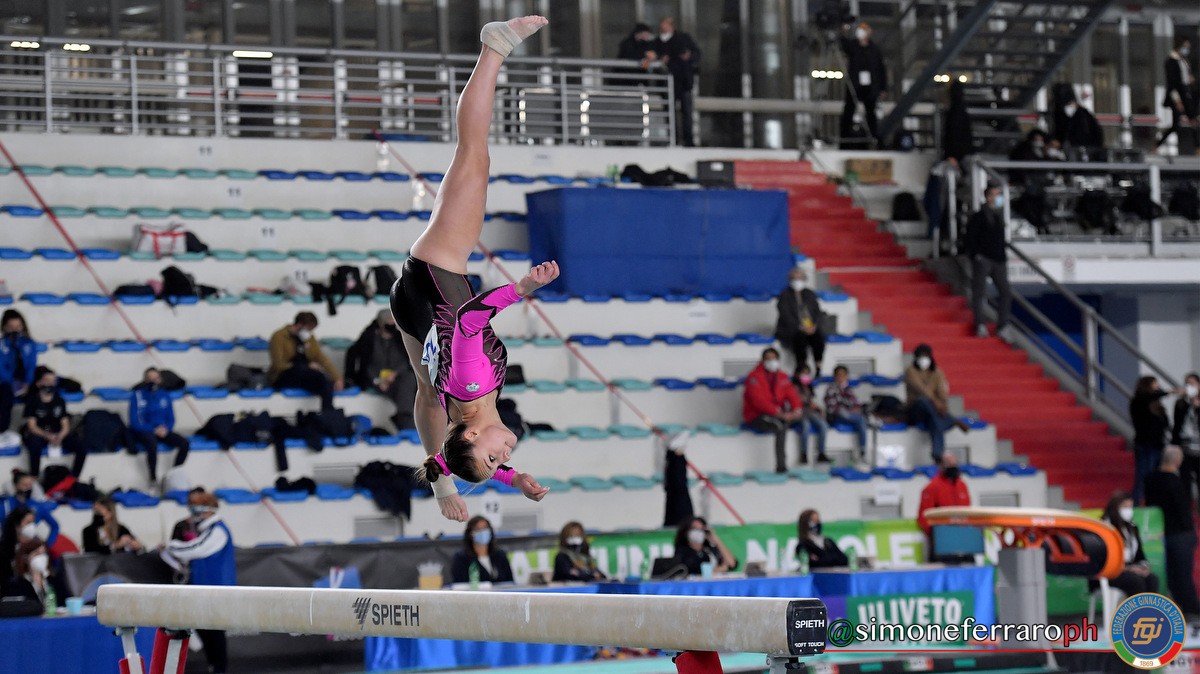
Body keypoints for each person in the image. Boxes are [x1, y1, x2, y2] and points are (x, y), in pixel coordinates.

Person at [393, 16, 556, 523]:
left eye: (493, 459)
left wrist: (520, 289)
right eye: (499, 465)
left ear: (469, 433)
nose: (504, 457)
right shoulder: (464, 410)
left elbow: (469, 320)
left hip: (436, 270)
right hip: (411, 306)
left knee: (473, 155)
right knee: (426, 392)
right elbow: (452, 445)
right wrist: (508, 479)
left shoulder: (470, 385)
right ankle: (441, 485)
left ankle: (494, 47)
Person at [164, 490, 235, 674]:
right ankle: (214, 667)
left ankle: (219, 669)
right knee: (204, 630)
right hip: (202, 589)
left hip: (216, 590)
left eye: (197, 508)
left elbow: (196, 549)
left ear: (208, 509)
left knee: (215, 633)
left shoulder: (219, 530)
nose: (194, 513)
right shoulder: (208, 530)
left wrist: (172, 546)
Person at [1144, 446, 1200, 622]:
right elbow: (1182, 509)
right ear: (1177, 460)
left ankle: (1178, 603)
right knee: (1183, 572)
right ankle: (1190, 606)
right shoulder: (1175, 482)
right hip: (1180, 532)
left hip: (1162, 530)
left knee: (1172, 573)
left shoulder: (1150, 479)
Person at [346, 310, 418, 430]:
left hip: (396, 378)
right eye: (388, 322)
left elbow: (405, 362)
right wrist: (377, 381)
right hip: (375, 380)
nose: (392, 325)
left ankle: (405, 417)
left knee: (409, 380)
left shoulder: (399, 338)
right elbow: (365, 365)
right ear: (381, 323)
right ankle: (405, 420)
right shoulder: (369, 338)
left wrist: (395, 374)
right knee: (404, 390)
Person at [962, 184, 1012, 339]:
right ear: (988, 197)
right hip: (984, 259)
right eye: (996, 195)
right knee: (979, 292)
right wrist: (976, 256)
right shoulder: (979, 216)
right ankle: (980, 324)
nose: (999, 198)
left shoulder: (999, 216)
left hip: (998, 260)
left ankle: (1003, 325)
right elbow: (970, 237)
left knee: (1005, 292)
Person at [743, 348, 805, 473]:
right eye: (768, 359)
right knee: (780, 426)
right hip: (757, 415)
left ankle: (805, 457)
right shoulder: (754, 377)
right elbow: (758, 401)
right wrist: (779, 413)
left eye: (774, 358)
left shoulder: (782, 376)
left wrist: (796, 410)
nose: (771, 361)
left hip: (778, 414)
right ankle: (781, 466)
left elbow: (792, 395)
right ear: (762, 361)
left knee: (805, 421)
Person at [905, 344, 969, 462]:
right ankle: (951, 420)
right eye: (920, 356)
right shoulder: (910, 371)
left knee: (935, 421)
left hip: (932, 413)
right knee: (924, 401)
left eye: (925, 356)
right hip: (916, 410)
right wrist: (936, 403)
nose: (923, 359)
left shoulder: (937, 372)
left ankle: (937, 453)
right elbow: (921, 390)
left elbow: (942, 392)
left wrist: (943, 404)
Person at [268, 311, 343, 411]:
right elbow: (278, 365)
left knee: (325, 382)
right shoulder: (279, 337)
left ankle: (327, 412)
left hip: (304, 374)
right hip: (283, 375)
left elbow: (321, 358)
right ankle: (328, 413)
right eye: (308, 329)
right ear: (299, 325)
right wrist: (306, 366)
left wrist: (337, 377)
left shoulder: (309, 339)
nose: (309, 333)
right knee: (308, 373)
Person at [21, 367, 86, 479]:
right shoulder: (32, 401)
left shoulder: (59, 401)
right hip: (40, 433)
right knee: (34, 444)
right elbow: (32, 426)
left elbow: (65, 423)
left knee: (82, 446)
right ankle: (34, 475)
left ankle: (74, 477)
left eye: (53, 381)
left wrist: (61, 435)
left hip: (57, 432)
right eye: (47, 380)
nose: (50, 384)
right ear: (39, 383)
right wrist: (47, 436)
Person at [128, 367, 190, 482]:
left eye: (155, 378)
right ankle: (153, 479)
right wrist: (153, 429)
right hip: (145, 431)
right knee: (152, 444)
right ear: (145, 379)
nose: (153, 381)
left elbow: (171, 418)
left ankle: (173, 475)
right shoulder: (137, 396)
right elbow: (134, 422)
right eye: (149, 378)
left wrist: (166, 428)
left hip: (162, 430)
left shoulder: (165, 395)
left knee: (184, 444)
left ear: (160, 379)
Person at [1097, 491, 1160, 598]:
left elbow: (1140, 555)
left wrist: (1143, 567)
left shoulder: (1132, 528)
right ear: (1115, 507)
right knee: (1136, 581)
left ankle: (1149, 608)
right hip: (1109, 573)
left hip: (1130, 569)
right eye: (1125, 507)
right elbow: (1102, 559)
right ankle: (1135, 609)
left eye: (1130, 507)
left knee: (1152, 579)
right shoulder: (1105, 528)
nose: (1128, 511)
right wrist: (1128, 569)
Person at [651, 17, 701, 146]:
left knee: (687, 113)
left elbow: (696, 54)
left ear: (671, 26)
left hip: (684, 82)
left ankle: (688, 140)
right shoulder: (657, 42)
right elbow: (652, 59)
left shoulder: (683, 39)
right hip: (667, 83)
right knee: (670, 112)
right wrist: (660, 59)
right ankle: (673, 139)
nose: (663, 29)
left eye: (665, 26)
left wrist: (688, 57)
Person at [917, 453, 973, 563]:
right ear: (941, 466)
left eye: (954, 464)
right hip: (942, 540)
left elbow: (968, 511)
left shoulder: (962, 485)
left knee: (968, 565)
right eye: (949, 464)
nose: (953, 467)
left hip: (963, 538)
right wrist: (937, 536)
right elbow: (923, 517)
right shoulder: (932, 487)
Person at [840, 21, 887, 147]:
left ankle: (874, 139)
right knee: (849, 111)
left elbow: (881, 69)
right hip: (855, 84)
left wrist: (883, 88)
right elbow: (844, 45)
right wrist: (843, 33)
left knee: (870, 113)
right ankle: (844, 140)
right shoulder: (853, 46)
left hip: (870, 87)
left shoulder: (874, 49)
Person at [775, 267, 826, 378]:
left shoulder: (810, 294)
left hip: (810, 327)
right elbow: (785, 316)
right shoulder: (784, 295)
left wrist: (814, 326)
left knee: (818, 338)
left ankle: (818, 366)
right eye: (794, 278)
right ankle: (801, 367)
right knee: (800, 339)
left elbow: (818, 312)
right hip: (792, 329)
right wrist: (800, 327)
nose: (797, 281)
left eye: (799, 278)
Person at [1130, 375, 1172, 505]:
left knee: (1156, 478)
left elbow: (1165, 423)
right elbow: (1146, 398)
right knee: (1143, 477)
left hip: (1158, 445)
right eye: (1154, 384)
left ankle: (1153, 504)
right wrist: (1169, 392)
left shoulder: (1157, 405)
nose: (1157, 387)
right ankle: (1136, 505)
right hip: (1145, 445)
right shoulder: (1139, 402)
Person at [1157, 37, 1198, 151]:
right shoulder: (1171, 61)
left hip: (1186, 93)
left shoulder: (1184, 61)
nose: (1187, 50)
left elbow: (1186, 77)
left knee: (1193, 120)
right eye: (1185, 47)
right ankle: (1158, 143)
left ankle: (1197, 147)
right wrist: (1177, 100)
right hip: (1178, 95)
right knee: (1176, 125)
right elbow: (1172, 82)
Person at [0, 505, 59, 583]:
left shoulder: (38, 545)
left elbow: (49, 573)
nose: (31, 526)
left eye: (33, 522)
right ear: (16, 525)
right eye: (28, 523)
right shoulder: (5, 549)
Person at [2, 538, 68, 608]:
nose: (42, 557)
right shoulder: (16, 584)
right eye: (37, 554)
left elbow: (66, 601)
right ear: (25, 558)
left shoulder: (54, 579)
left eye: (44, 553)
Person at [0, 309, 37, 433]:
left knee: (42, 393)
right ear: (4, 327)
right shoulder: (1, 345)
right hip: (6, 382)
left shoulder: (29, 344)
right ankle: (3, 431)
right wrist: (13, 384)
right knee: (5, 395)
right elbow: (1, 368)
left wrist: (27, 383)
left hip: (24, 382)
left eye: (18, 326)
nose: (15, 330)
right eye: (11, 327)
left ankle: (32, 430)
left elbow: (31, 365)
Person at [449, 515, 513, 584]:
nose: (482, 532)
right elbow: (460, 584)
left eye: (485, 528)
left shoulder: (500, 555)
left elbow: (510, 581)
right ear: (470, 534)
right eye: (477, 529)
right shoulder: (461, 558)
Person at [824, 365, 869, 460]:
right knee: (843, 412)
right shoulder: (831, 388)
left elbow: (855, 403)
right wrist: (847, 407)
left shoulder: (848, 389)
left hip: (850, 414)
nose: (841, 377)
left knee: (861, 419)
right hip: (836, 416)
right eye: (839, 375)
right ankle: (863, 448)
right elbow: (832, 408)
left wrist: (852, 408)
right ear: (835, 376)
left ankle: (862, 450)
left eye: (843, 375)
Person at [671, 517, 738, 576]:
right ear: (686, 532)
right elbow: (692, 569)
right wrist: (720, 569)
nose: (698, 532)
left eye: (701, 529)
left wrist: (717, 540)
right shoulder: (682, 551)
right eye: (694, 528)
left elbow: (732, 563)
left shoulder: (709, 549)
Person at [794, 364, 830, 464]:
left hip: (809, 411)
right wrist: (808, 404)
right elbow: (795, 401)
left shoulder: (809, 387)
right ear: (797, 374)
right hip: (798, 412)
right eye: (803, 373)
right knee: (806, 426)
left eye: (807, 373)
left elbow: (811, 401)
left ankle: (821, 453)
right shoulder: (793, 387)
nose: (806, 376)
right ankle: (804, 454)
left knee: (823, 425)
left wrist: (817, 408)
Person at [1174, 373, 1200, 502]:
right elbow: (1177, 425)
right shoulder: (1181, 403)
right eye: (1187, 384)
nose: (1189, 387)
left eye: (1192, 384)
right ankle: (1187, 507)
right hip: (1185, 447)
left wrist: (1197, 408)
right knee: (1185, 480)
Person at [612, 22, 659, 87]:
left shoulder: (648, 43)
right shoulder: (627, 43)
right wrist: (645, 55)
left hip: (639, 78)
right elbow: (629, 55)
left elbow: (653, 53)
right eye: (646, 33)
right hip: (625, 77)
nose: (648, 36)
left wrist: (652, 56)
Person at [942, 81, 974, 168]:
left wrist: (951, 155)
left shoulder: (953, 113)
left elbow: (953, 135)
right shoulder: (961, 111)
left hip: (956, 156)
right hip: (962, 154)